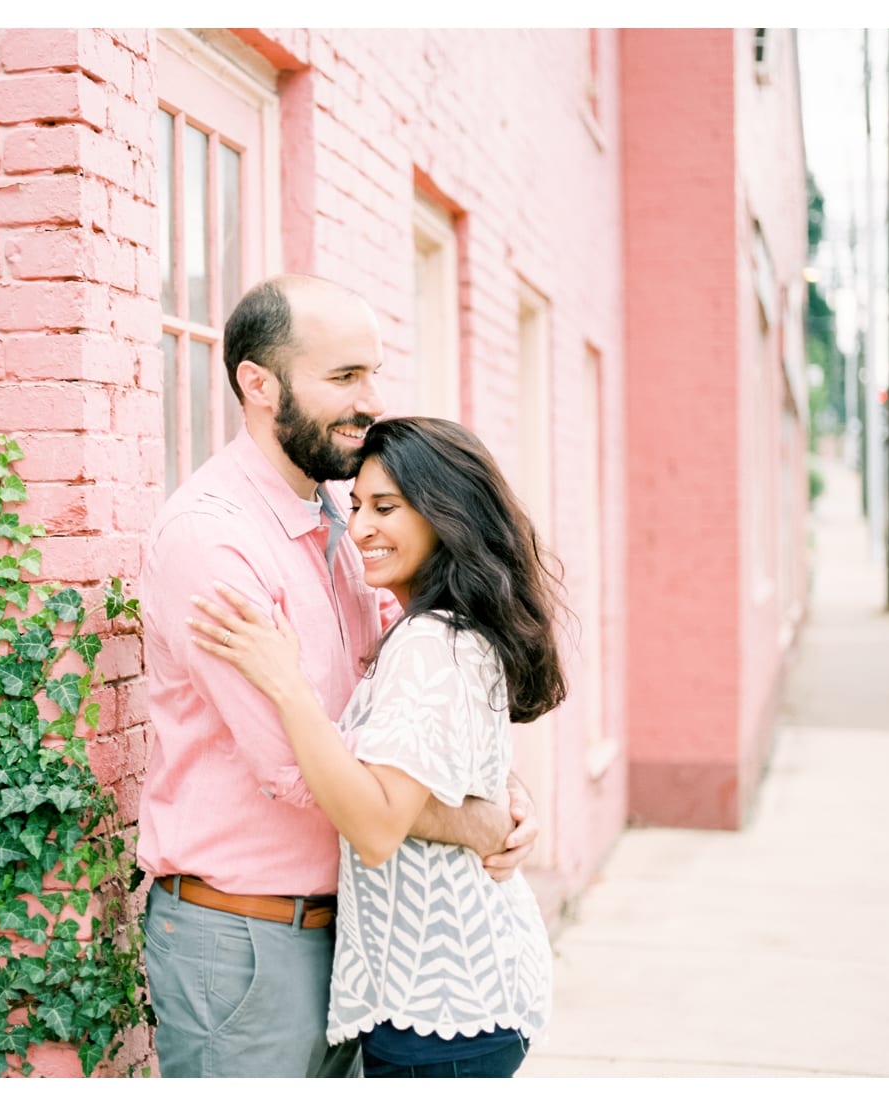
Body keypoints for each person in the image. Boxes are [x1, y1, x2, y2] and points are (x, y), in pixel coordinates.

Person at [137, 275, 538, 1078]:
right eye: (345, 378)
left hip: (353, 939)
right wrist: (476, 821)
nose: (370, 401)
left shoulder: (341, 521)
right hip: (248, 944)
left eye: (374, 374)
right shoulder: (213, 542)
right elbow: (301, 771)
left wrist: (498, 782)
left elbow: (396, 712)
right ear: (259, 383)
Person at [188, 415, 567, 1078]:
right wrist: (498, 809)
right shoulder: (439, 629)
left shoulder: (431, 641)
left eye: (385, 507)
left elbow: (376, 826)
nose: (360, 527)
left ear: (447, 514)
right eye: (356, 505)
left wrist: (286, 684)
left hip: (442, 1011)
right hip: (455, 994)